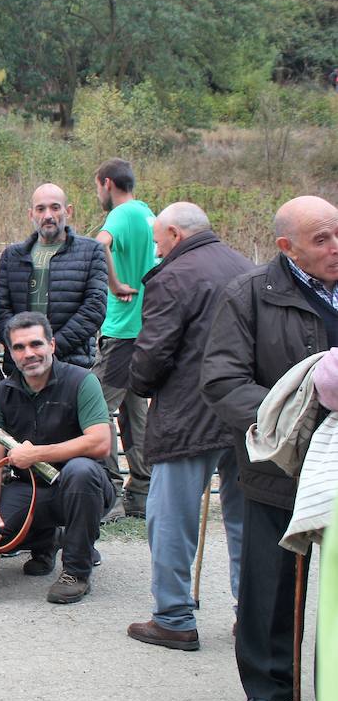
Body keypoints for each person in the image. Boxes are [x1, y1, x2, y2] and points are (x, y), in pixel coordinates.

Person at [201, 195, 337, 701]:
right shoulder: (249, 295)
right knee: (271, 583)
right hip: (278, 462)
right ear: (287, 248)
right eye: (321, 239)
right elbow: (222, 383)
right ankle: (268, 688)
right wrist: (302, 409)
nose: (335, 247)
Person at [126, 202, 250, 651]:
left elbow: (153, 351)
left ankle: (174, 617)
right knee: (243, 519)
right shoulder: (246, 266)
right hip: (244, 415)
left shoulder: (174, 275)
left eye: (158, 242)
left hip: (187, 415)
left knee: (170, 519)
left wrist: (140, 385)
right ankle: (250, 614)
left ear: (175, 234)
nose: (157, 251)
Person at [0, 312, 115, 604]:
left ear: (52, 345)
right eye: (19, 347)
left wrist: (36, 454)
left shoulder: (82, 381)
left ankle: (76, 571)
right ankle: (47, 542)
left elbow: (101, 442)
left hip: (83, 486)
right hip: (31, 486)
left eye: (36, 344)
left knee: (80, 471)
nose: (29, 353)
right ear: (9, 353)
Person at [91, 158, 156, 517]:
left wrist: (114, 284)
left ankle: (110, 490)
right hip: (146, 330)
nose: (99, 193)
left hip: (123, 332)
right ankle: (142, 492)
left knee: (95, 408)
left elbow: (99, 244)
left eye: (98, 187)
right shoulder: (150, 215)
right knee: (134, 412)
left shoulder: (121, 214)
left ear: (107, 183)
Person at [0, 183, 107, 372]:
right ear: (31, 214)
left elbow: (94, 309)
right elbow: (1, 311)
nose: (48, 215)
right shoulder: (11, 256)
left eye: (55, 207)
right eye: (40, 209)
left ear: (68, 211)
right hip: (23, 366)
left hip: (72, 365)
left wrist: (51, 350)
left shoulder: (91, 251)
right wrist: (24, 349)